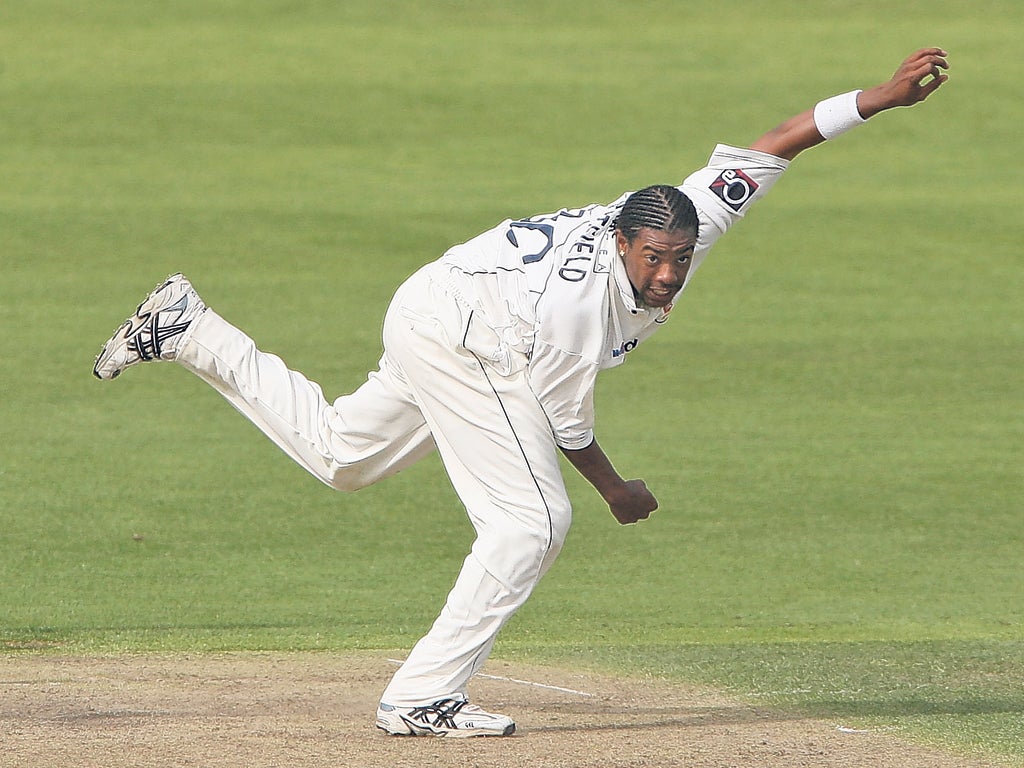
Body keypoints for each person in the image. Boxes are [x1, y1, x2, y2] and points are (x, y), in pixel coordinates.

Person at [93, 48, 949, 737]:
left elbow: (779, 139)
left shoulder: (689, 213)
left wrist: (878, 97)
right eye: (652, 258)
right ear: (620, 243)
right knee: (534, 521)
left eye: (679, 258)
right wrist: (620, 491)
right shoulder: (584, 306)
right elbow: (566, 424)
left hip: (441, 301)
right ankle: (421, 698)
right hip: (471, 335)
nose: (667, 274)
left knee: (344, 457)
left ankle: (189, 329)